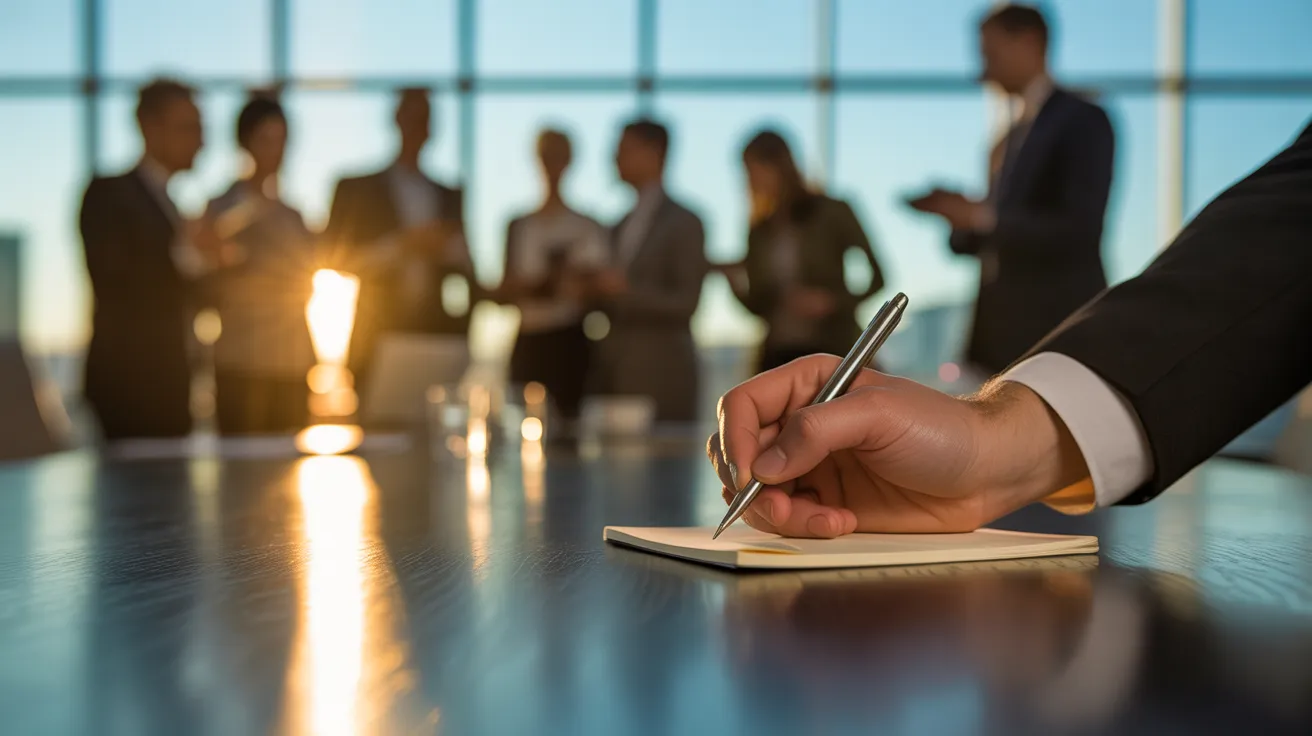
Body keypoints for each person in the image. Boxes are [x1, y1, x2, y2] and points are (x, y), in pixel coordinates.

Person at [708, 118, 1312, 539]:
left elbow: (1283, 226)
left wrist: (996, 440)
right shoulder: (759, 229)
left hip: (839, 341)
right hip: (777, 348)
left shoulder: (831, 211)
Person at [907, 3, 1115, 375]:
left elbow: (1079, 229)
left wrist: (981, 216)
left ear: (1030, 41)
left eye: (990, 54)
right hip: (1002, 334)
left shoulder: (1082, 120)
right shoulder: (1009, 137)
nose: (983, 69)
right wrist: (960, 219)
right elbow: (988, 238)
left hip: (1052, 329)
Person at [79, 78, 227, 441]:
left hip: (169, 387)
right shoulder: (109, 194)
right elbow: (116, 281)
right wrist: (190, 254)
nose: (202, 141)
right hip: (130, 386)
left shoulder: (171, 208)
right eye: (189, 127)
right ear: (150, 127)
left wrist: (211, 262)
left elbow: (196, 298)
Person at [322, 88, 478, 386]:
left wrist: (449, 251)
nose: (417, 127)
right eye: (412, 117)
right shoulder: (356, 189)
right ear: (396, 120)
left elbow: (469, 272)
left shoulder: (449, 195)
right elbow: (332, 259)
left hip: (435, 337)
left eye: (424, 120)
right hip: (377, 335)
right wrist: (402, 246)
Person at [202, 94, 316, 435]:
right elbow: (208, 280)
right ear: (245, 143)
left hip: (292, 363)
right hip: (242, 363)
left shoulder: (294, 217)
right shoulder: (221, 209)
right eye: (266, 139)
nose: (276, 151)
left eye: (282, 140)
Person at [729, 129, 884, 373]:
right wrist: (733, 283)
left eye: (754, 169)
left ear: (778, 165)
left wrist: (830, 302)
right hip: (778, 356)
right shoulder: (760, 231)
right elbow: (759, 306)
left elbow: (878, 277)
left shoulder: (834, 212)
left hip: (833, 348)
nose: (750, 179)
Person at [592, 119, 708, 423]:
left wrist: (625, 291)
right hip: (616, 372)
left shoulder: (685, 222)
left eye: (625, 150)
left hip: (663, 373)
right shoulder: (616, 226)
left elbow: (686, 302)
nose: (615, 158)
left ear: (655, 152)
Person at [497, 129, 608, 420]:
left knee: (569, 424)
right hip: (529, 339)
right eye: (547, 155)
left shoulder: (586, 225)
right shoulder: (519, 225)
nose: (552, 164)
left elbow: (598, 290)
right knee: (523, 420)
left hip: (569, 341)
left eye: (558, 156)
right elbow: (504, 288)